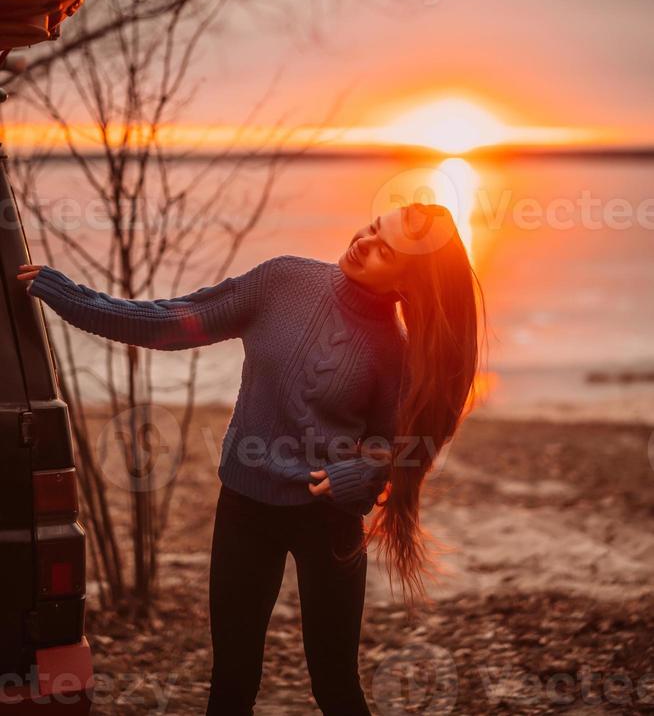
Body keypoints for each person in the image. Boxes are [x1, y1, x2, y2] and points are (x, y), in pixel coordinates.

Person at [17, 201, 485, 716]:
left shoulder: (392, 351)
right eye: (373, 226)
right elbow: (168, 322)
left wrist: (358, 475)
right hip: (245, 509)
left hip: (328, 521)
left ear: (408, 282)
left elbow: (396, 443)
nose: (364, 242)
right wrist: (64, 294)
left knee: (335, 683)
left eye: (384, 249)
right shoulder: (282, 281)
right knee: (233, 677)